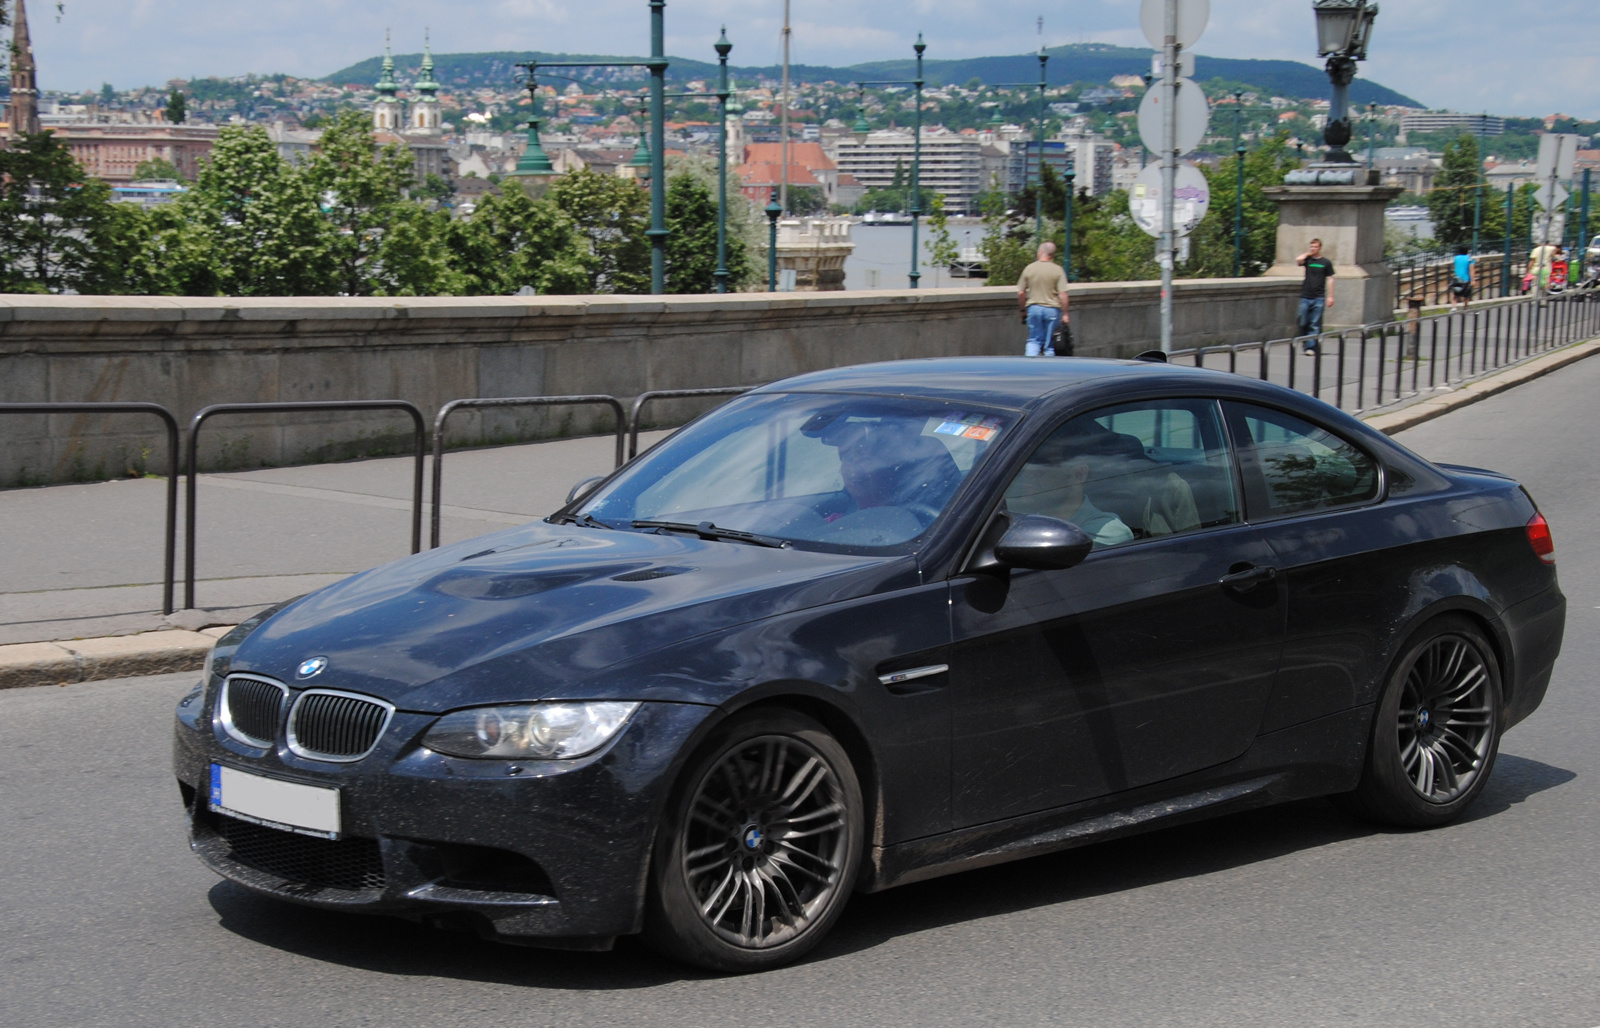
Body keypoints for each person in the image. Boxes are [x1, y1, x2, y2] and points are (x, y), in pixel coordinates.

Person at [1016, 243, 1070, 358]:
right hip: (1052, 309)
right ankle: (1048, 368)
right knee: (1050, 343)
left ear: (1040, 252)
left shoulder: (1029, 268)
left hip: (1034, 308)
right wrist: (1065, 313)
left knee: (1034, 340)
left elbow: (1021, 292)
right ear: (1052, 255)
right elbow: (1063, 294)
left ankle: (1030, 365)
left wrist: (1022, 310)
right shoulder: (1058, 270)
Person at [1295, 238, 1335, 350]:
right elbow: (1298, 260)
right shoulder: (1308, 260)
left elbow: (1330, 278)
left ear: (1320, 248)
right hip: (1306, 295)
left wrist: (1330, 296)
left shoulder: (1325, 262)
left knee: (1314, 323)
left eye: (1316, 247)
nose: (1313, 249)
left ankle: (1310, 347)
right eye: (1312, 246)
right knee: (1302, 320)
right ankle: (1304, 339)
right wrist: (1308, 254)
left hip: (1319, 296)